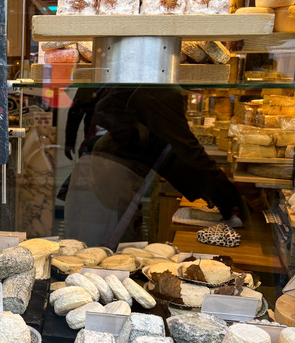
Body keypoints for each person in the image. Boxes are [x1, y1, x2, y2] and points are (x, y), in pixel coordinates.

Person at [63, 86, 242, 248]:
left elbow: (173, 150)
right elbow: (187, 149)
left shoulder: (157, 86)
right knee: (117, 248)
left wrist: (215, 191)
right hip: (111, 170)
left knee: (121, 242)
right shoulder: (162, 91)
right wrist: (226, 195)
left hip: (115, 165)